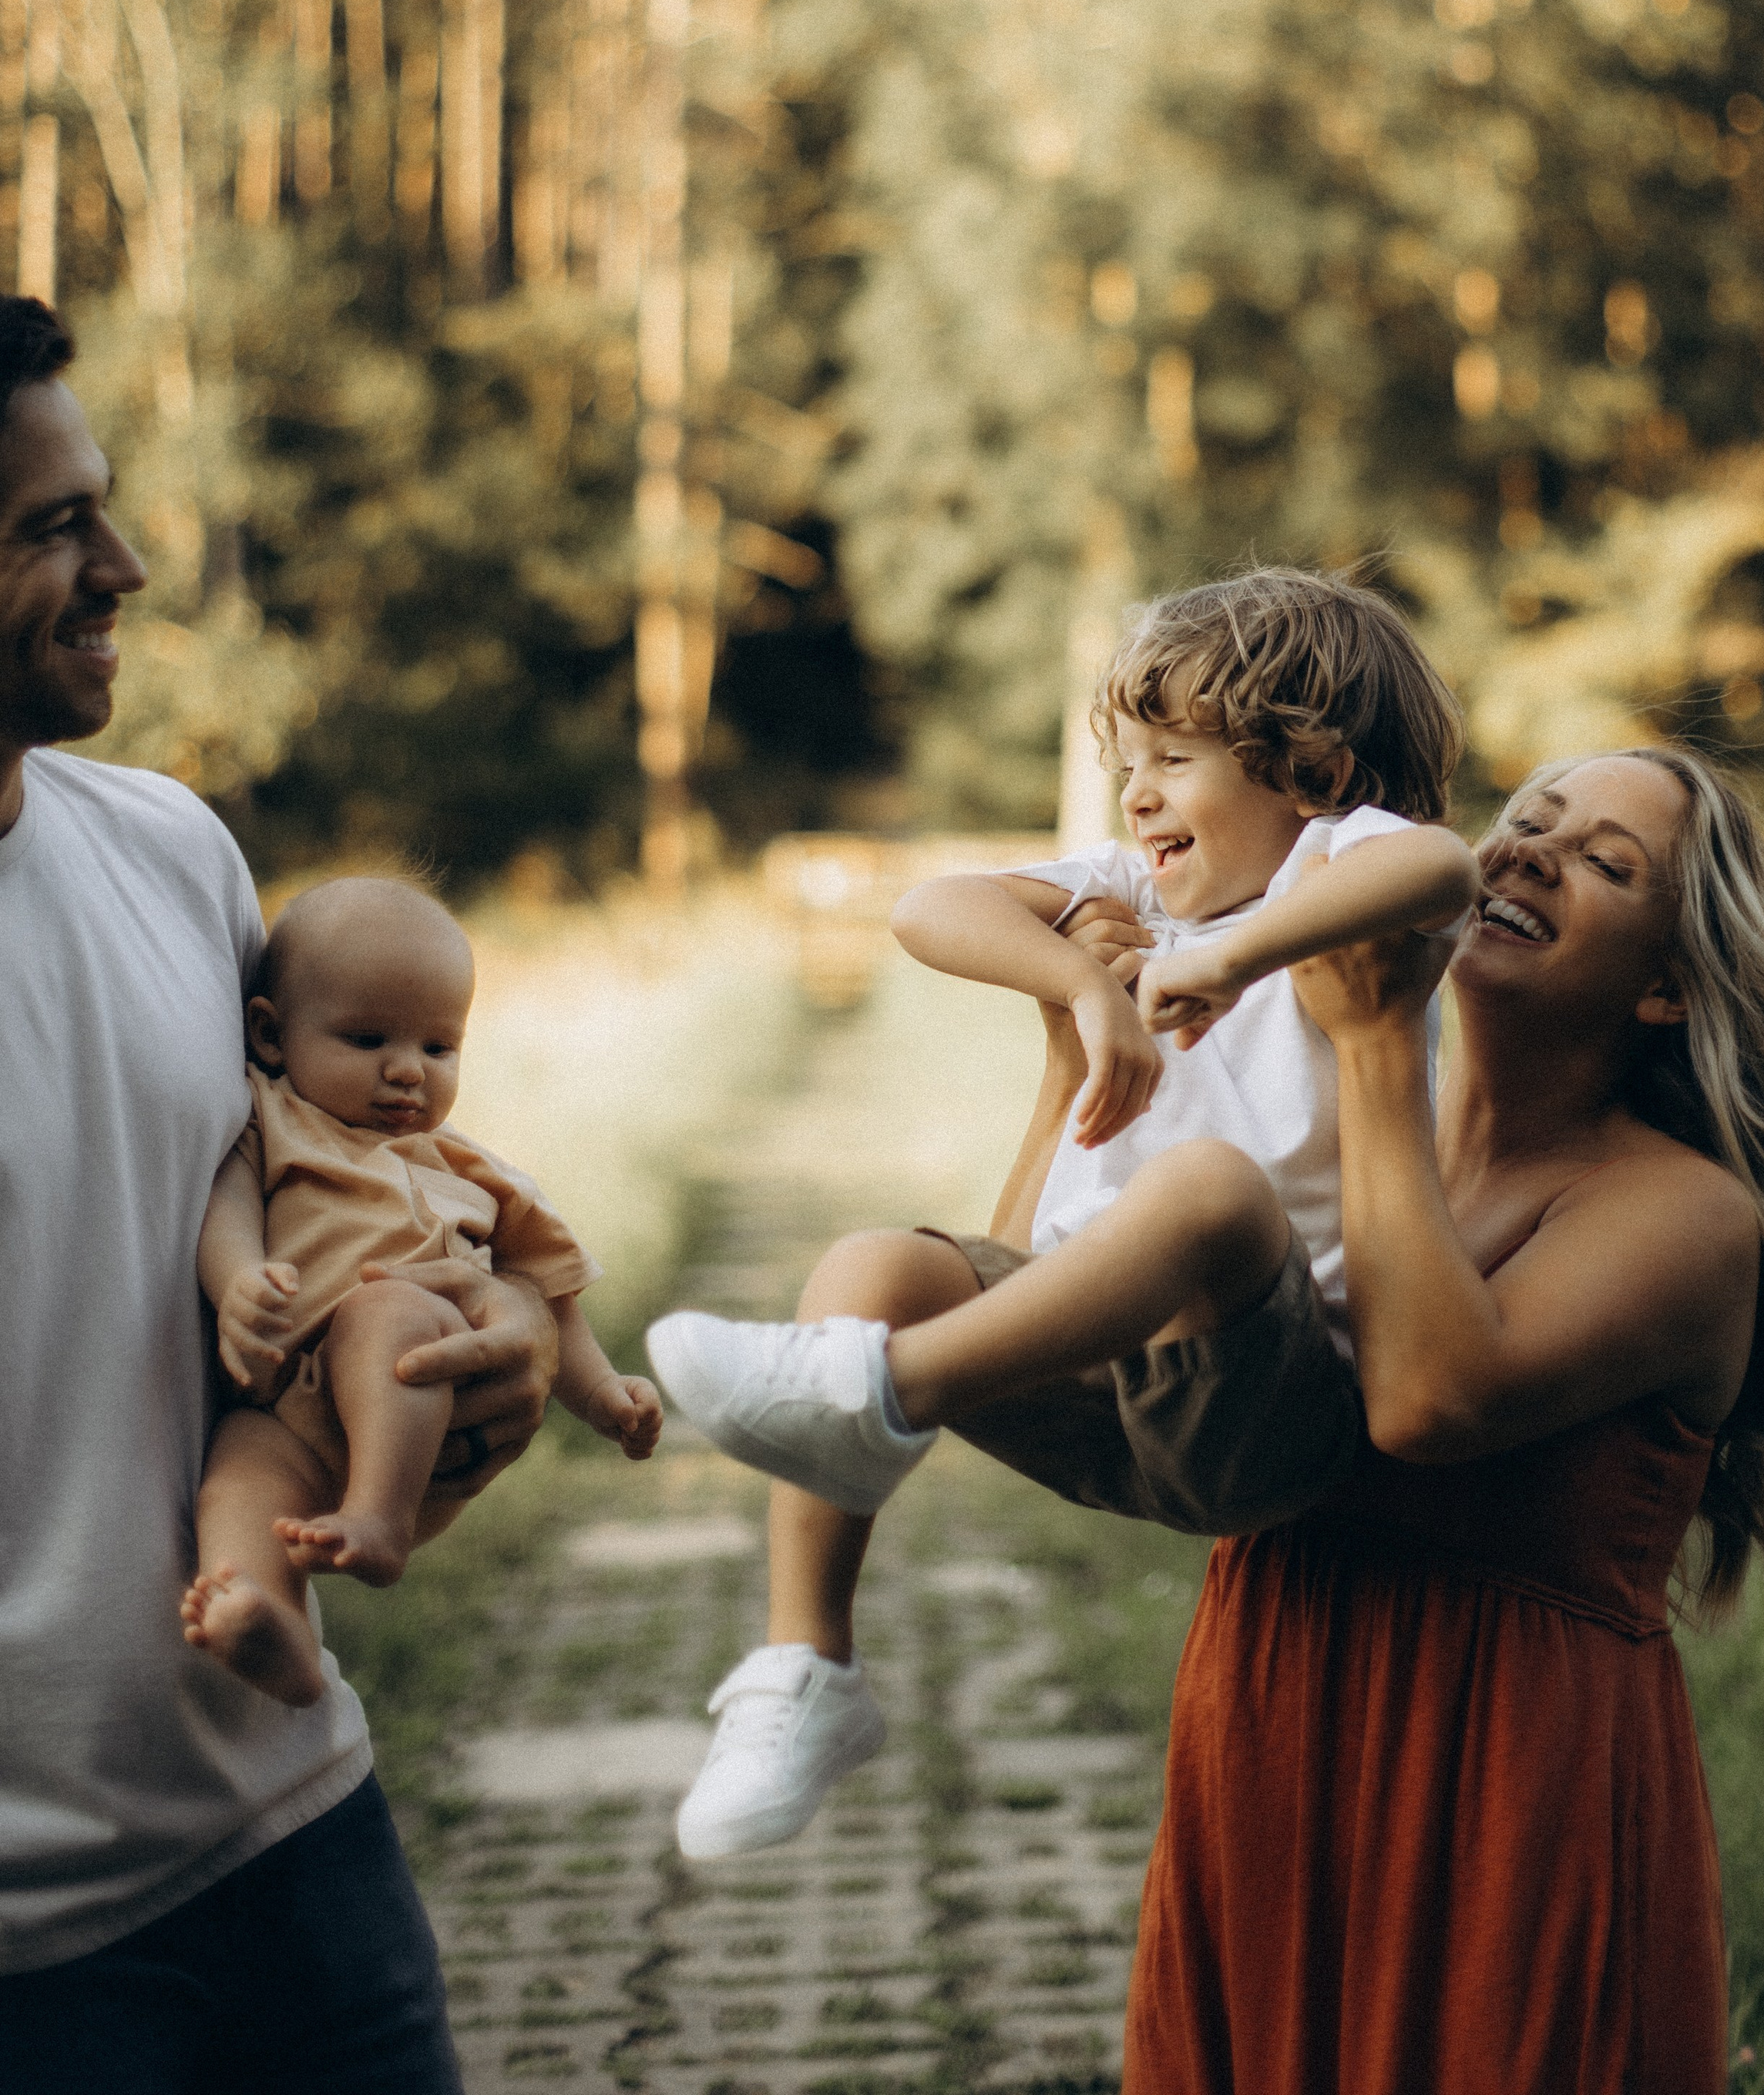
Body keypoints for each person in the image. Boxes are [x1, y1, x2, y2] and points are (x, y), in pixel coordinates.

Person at [647, 568, 1479, 1858]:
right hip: (1098, 1383)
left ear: (1314, 775)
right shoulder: (1134, 891)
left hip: (1273, 1401)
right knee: (873, 1264)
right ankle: (807, 1669)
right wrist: (1084, 993)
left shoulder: (1338, 870)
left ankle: (875, 1398)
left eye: (1176, 760)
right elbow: (929, 908)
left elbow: (1439, 863)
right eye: (1128, 762)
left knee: (1204, 1187)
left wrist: (1230, 958)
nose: (1138, 794)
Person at [1124, 746, 1764, 2095]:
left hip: (1503, 1795)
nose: (1529, 852)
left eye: (1605, 863)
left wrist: (1372, 1040)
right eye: (1529, 821)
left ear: (1666, 986)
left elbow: (1430, 1397)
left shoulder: (1689, 1219)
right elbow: (1085, 1328)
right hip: (1270, 1724)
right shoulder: (1336, 1141)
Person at [0, 295, 557, 2093]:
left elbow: (339, 1193)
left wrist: (498, 1331)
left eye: (104, 508)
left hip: (291, 1824)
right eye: (52, 527)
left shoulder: (173, 854)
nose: (125, 567)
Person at [184, 875, 662, 1707]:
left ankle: (378, 1519)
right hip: (289, 1412)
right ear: (270, 1035)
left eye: (439, 1049)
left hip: (411, 1423)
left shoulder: (468, 1168)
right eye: (368, 1039)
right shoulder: (270, 1120)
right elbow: (225, 1207)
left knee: (387, 1307)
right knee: (237, 1477)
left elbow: (551, 1295)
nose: (408, 1071)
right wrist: (239, 1285)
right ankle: (267, 1620)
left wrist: (601, 1394)